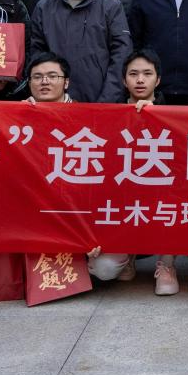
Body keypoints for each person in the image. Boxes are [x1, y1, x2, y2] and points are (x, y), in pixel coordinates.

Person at [23, 51, 133, 283]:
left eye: (52, 76)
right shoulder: (16, 116)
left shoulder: (89, 118)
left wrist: (92, 232)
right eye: (37, 77)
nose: (44, 82)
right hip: (39, 216)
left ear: (66, 82)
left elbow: (107, 183)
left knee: (106, 268)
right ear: (29, 82)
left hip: (85, 217)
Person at [30, 0, 132, 103]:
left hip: (100, 103)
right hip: (55, 103)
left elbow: (121, 55)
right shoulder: (44, 7)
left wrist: (106, 101)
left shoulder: (111, 6)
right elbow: (37, 55)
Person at [119, 48, 180, 295]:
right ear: (124, 80)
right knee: (104, 269)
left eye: (147, 73)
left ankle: (167, 265)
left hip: (163, 193)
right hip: (122, 194)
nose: (140, 80)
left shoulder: (176, 114)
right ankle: (128, 256)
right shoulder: (108, 112)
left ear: (158, 79)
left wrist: (154, 115)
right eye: (133, 74)